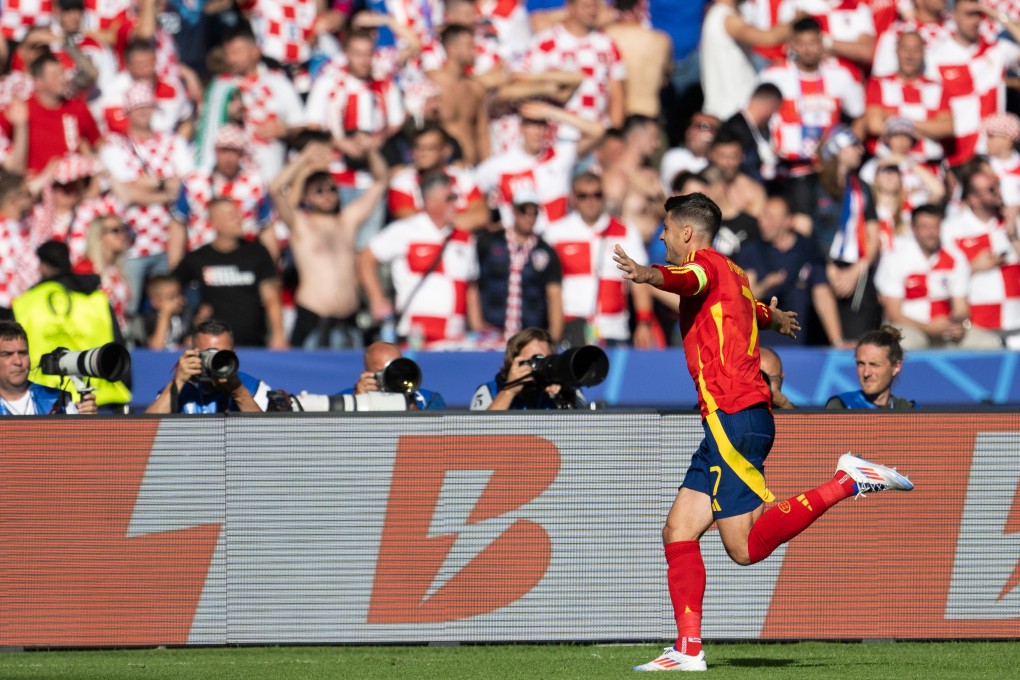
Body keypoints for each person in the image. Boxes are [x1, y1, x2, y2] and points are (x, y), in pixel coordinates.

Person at [614, 193, 913, 672]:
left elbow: (680, 278)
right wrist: (775, 317)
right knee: (678, 531)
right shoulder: (732, 273)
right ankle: (688, 649)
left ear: (687, 233)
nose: (663, 236)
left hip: (733, 416)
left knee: (744, 548)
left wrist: (646, 274)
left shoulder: (703, 266)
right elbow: (746, 310)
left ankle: (847, 481)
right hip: (731, 420)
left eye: (668, 229)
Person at [271, 140, 387, 349]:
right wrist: (304, 158)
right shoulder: (300, 224)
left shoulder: (347, 221)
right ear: (306, 196)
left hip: (349, 322)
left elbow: (381, 180)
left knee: (355, 381)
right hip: (313, 318)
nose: (327, 194)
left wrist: (369, 150)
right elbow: (275, 189)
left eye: (332, 189)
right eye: (319, 190)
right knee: (305, 382)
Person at [13, 240, 131, 408]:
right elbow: (118, 349)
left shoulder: (24, 304)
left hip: (45, 399)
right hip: (101, 397)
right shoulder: (96, 299)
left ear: (42, 266)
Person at [174, 197, 288, 349]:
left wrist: (278, 335)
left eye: (238, 213)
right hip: (214, 347)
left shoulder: (258, 253)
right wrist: (191, 327)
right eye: (230, 216)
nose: (239, 219)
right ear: (214, 223)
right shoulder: (198, 258)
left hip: (253, 343)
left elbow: (271, 296)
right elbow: (168, 289)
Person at [470, 188, 564, 342]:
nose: (528, 217)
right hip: (492, 333)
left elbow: (554, 295)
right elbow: (473, 285)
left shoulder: (546, 251)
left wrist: (552, 337)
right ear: (513, 211)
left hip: (530, 335)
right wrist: (477, 325)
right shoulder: (489, 243)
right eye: (523, 211)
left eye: (534, 212)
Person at [145, 319, 269, 414]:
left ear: (233, 354)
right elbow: (145, 430)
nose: (216, 360)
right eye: (208, 354)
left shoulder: (252, 387)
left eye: (222, 354)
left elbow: (267, 437)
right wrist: (178, 382)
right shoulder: (180, 389)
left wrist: (239, 392)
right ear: (193, 353)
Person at [469, 326, 586, 410]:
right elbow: (478, 437)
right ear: (513, 362)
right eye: (535, 360)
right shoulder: (490, 391)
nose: (541, 366)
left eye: (545, 360)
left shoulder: (569, 391)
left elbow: (584, 436)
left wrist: (564, 398)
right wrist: (509, 392)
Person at [0, 320, 97, 415]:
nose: (18, 361)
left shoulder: (59, 401)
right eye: (7, 354)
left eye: (23, 353)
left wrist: (87, 421)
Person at [825, 325, 917, 409]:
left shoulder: (910, 410)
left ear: (896, 367)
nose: (866, 373)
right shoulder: (841, 406)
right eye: (861, 364)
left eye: (874, 364)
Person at [338, 341, 445, 410]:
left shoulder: (428, 400)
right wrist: (357, 404)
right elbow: (333, 437)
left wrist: (411, 405)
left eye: (399, 368)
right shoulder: (343, 400)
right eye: (386, 373)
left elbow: (431, 441)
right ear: (367, 376)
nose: (395, 376)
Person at [759, 345, 794, 410]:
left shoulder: (786, 405)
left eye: (770, 379)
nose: (763, 385)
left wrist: (784, 404)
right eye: (758, 378)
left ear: (782, 379)